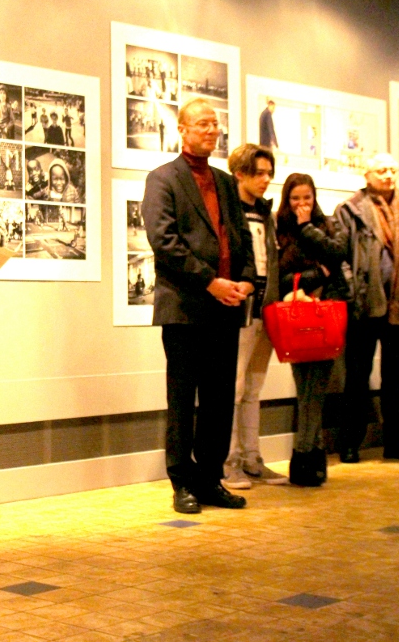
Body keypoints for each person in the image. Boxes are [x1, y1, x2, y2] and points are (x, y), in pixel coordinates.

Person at [142, 98, 256, 514]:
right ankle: (182, 482)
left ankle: (210, 479)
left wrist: (244, 280)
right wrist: (210, 282)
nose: (211, 130)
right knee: (182, 399)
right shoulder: (162, 179)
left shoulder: (225, 181)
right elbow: (164, 242)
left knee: (220, 398)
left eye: (216, 124)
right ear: (183, 130)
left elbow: (239, 235)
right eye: (202, 124)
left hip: (226, 307)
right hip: (185, 307)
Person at [333, 154, 399, 464]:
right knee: (358, 378)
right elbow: (341, 255)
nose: (388, 175)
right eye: (381, 170)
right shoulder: (351, 209)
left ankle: (396, 443)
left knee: (396, 380)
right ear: (367, 174)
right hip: (366, 304)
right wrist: (353, 291)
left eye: (392, 170)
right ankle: (350, 443)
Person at [221, 144, 286, 490]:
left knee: (254, 388)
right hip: (239, 309)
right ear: (240, 173)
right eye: (258, 173)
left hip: (266, 309)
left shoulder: (265, 213)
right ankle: (229, 461)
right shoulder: (227, 209)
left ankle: (252, 457)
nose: (266, 179)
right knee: (234, 386)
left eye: (268, 173)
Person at [276, 173, 346, 486]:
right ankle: (313, 457)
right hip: (295, 319)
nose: (302, 204)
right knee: (305, 389)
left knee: (314, 392)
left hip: (324, 316)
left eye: (307, 198)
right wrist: (316, 272)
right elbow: (280, 277)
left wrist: (306, 228)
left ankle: (303, 456)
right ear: (287, 201)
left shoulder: (327, 225)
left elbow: (338, 255)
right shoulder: (278, 230)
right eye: (295, 199)